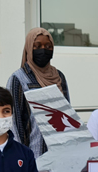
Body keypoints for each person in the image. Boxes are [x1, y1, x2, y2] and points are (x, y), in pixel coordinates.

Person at [7, 28, 70, 159]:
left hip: (61, 153)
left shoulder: (59, 76)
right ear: (29, 48)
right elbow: (15, 121)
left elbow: (68, 115)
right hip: (34, 154)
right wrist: (22, 156)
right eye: (37, 46)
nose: (43, 50)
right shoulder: (19, 78)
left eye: (48, 46)